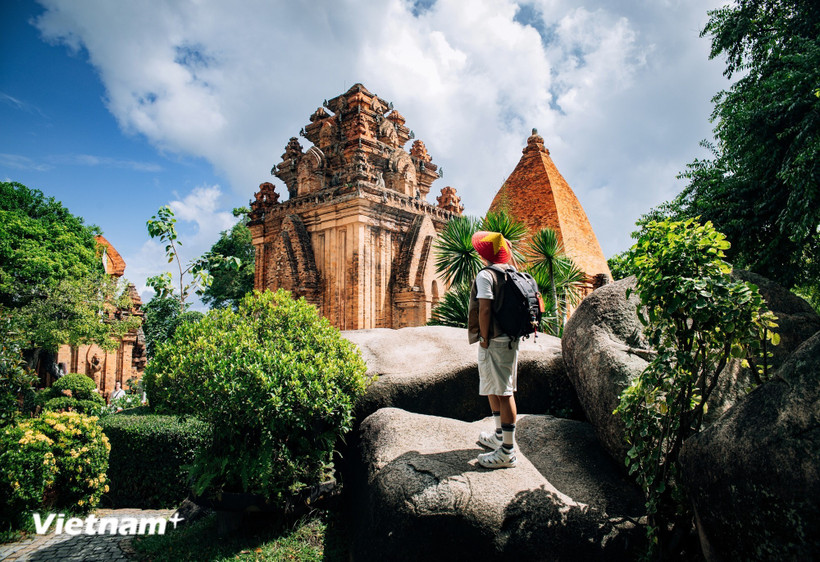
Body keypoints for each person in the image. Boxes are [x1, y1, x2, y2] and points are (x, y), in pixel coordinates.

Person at [467, 230, 520, 469]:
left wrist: (485, 338)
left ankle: (507, 451)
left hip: (495, 339)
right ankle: (499, 435)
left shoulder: (486, 275)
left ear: (482, 254)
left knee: (504, 391)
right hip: (509, 337)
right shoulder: (512, 271)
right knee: (492, 385)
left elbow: (485, 309)